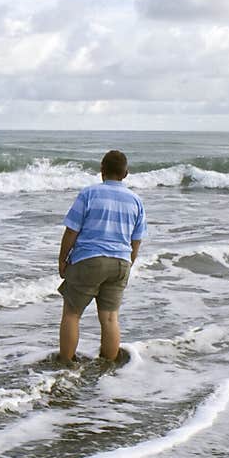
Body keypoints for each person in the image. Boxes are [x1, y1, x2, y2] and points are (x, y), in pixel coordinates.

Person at [57, 150, 146, 363]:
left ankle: (66, 364)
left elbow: (71, 231)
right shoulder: (135, 201)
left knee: (72, 314)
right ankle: (108, 366)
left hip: (89, 259)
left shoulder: (89, 194)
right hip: (121, 262)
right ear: (126, 174)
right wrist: (128, 262)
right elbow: (136, 240)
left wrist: (62, 260)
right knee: (110, 318)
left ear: (101, 171)